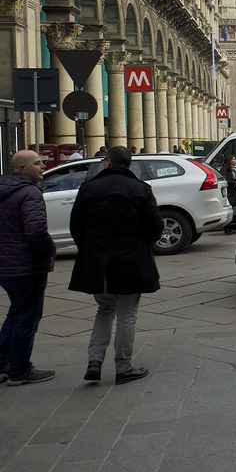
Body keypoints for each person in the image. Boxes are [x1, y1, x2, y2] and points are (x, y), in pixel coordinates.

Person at [69, 146, 162, 385]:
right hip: (131, 260)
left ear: (108, 162)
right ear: (128, 165)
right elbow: (155, 227)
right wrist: (143, 244)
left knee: (104, 310)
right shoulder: (141, 189)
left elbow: (76, 226)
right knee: (127, 314)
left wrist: (89, 249)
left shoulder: (88, 189)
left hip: (98, 263)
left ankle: (94, 361)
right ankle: (123, 367)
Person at [0, 150, 56, 386]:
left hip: (5, 266)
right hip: (26, 266)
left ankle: (3, 362)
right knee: (27, 317)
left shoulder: (4, 189)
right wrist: (49, 250)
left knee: (16, 312)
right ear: (22, 168)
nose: (42, 165)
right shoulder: (30, 193)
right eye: (37, 163)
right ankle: (20, 370)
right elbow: (36, 232)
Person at [220, 155, 236, 234]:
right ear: (229, 160)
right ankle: (227, 228)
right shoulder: (225, 169)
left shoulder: (232, 170)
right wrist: (235, 183)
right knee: (229, 211)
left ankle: (229, 228)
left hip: (232, 191)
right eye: (234, 159)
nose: (235, 161)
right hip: (228, 193)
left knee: (231, 211)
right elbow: (226, 180)